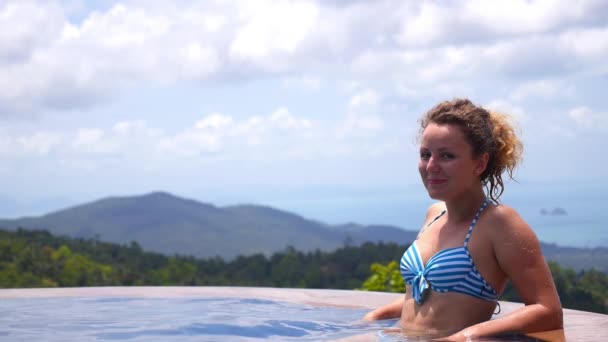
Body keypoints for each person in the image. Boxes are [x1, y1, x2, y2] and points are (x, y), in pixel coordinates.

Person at [363, 98, 563, 340]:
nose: (431, 166)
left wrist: (465, 336)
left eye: (446, 156)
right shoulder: (434, 214)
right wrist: (376, 317)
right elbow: (429, 299)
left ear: (480, 163)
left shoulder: (499, 223)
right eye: (425, 154)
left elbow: (548, 311)